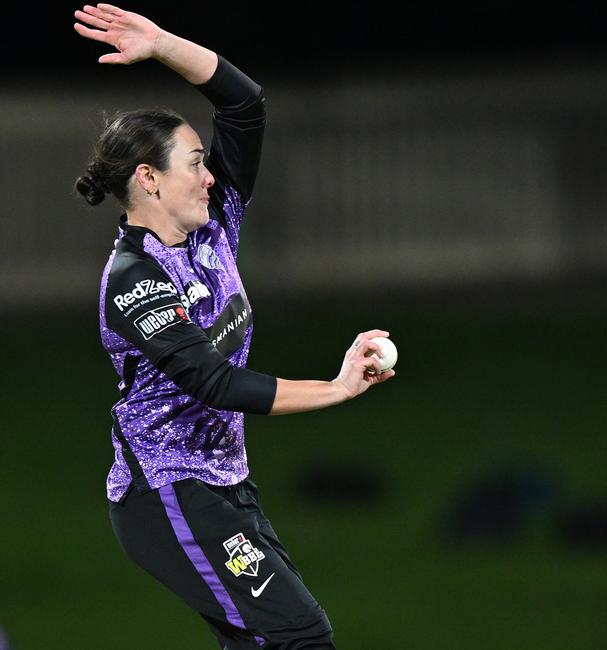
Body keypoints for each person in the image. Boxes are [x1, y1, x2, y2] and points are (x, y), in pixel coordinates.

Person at [74, 4, 395, 649]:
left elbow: (245, 105)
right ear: (149, 179)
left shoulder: (215, 217)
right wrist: (337, 388)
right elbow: (214, 382)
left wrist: (162, 44)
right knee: (300, 635)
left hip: (223, 486)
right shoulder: (134, 279)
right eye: (194, 162)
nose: (209, 173)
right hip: (166, 495)